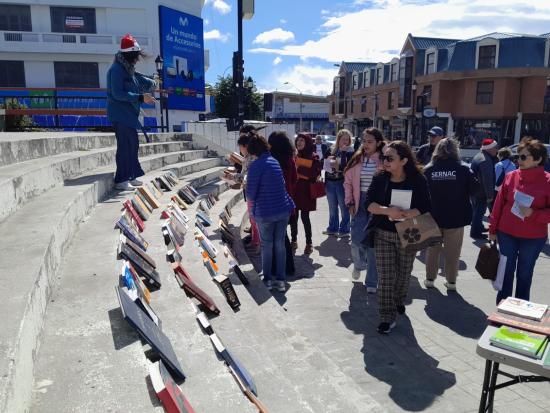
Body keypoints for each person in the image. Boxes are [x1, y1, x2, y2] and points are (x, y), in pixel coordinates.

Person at [365, 141, 431, 334]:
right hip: (383, 233)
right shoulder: (379, 178)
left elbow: (426, 205)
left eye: (389, 158)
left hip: (409, 232)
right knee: (386, 277)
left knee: (403, 274)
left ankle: (399, 299)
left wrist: (410, 213)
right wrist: (387, 211)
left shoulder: (417, 179)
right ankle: (386, 317)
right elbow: (368, 204)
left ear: (403, 160)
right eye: (384, 157)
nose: (384, 161)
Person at [489, 137, 550, 303]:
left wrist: (534, 214)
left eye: (524, 157)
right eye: (518, 156)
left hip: (533, 237)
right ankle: (503, 308)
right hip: (507, 233)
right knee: (505, 271)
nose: (519, 160)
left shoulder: (548, 181)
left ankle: (520, 310)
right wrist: (492, 230)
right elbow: (498, 204)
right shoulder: (511, 176)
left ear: (538, 159)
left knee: (524, 273)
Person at [423, 138, 479, 291]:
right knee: (453, 251)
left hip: (432, 216)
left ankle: (429, 279)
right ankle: (452, 282)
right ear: (456, 150)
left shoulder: (429, 169)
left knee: (432, 249)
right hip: (456, 216)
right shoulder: (464, 168)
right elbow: (476, 190)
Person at [246, 134, 295, 292]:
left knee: (267, 245)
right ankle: (280, 281)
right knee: (279, 244)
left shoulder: (255, 166)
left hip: (266, 211)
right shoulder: (274, 161)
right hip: (282, 209)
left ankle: (267, 279)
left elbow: (251, 194)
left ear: (253, 150)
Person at [107, 33, 156, 191]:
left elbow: (140, 80)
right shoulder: (116, 70)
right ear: (128, 55)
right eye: (135, 56)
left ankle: (131, 175)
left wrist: (154, 83)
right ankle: (121, 179)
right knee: (125, 146)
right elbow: (117, 94)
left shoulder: (128, 69)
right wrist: (141, 97)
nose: (137, 59)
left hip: (130, 116)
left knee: (133, 145)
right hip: (120, 115)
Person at [344, 127, 384, 292]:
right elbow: (347, 181)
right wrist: (349, 201)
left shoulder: (384, 160)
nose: (365, 144)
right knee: (356, 240)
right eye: (364, 141)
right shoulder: (357, 158)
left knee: (372, 245)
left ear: (378, 143)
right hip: (359, 203)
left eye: (370, 142)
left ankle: (371, 282)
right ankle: (359, 264)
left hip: (377, 205)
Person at [268, 131, 298, 276]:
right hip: (288, 200)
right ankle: (288, 266)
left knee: (277, 237)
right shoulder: (290, 159)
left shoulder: (272, 160)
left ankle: (284, 267)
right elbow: (295, 179)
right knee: (281, 236)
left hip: (275, 202)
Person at [291, 133, 322, 255]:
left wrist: (298, 168)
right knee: (293, 217)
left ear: (307, 142)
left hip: (306, 191)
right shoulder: (293, 156)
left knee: (305, 217)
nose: (299, 142)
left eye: (302, 140)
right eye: (298, 140)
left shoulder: (314, 157)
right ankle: (294, 240)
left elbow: (315, 173)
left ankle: (309, 243)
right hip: (295, 190)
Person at [323, 129, 354, 237]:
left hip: (342, 182)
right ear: (338, 140)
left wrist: (339, 166)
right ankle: (332, 228)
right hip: (330, 181)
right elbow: (324, 164)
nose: (345, 141)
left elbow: (349, 167)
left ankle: (345, 229)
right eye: (343, 139)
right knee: (332, 207)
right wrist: (327, 162)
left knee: (343, 207)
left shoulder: (350, 151)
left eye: (347, 139)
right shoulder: (331, 150)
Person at [470, 138, 498, 238]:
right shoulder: (486, 160)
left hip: (475, 191)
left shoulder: (479, 156)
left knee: (476, 211)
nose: (497, 150)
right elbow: (488, 180)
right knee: (479, 212)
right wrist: (490, 195)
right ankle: (475, 233)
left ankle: (479, 227)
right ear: (489, 149)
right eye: (495, 148)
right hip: (481, 192)